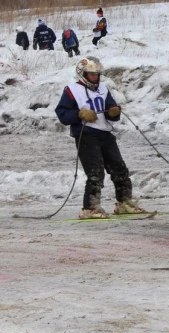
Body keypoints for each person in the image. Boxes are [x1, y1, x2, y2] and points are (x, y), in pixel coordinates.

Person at [54, 57, 145, 219]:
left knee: (120, 169)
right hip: (86, 135)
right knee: (95, 173)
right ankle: (90, 208)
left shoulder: (103, 89)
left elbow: (111, 108)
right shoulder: (71, 90)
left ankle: (125, 203)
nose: (95, 78)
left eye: (97, 74)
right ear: (83, 74)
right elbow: (62, 114)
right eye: (91, 75)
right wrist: (79, 113)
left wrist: (113, 111)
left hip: (105, 134)